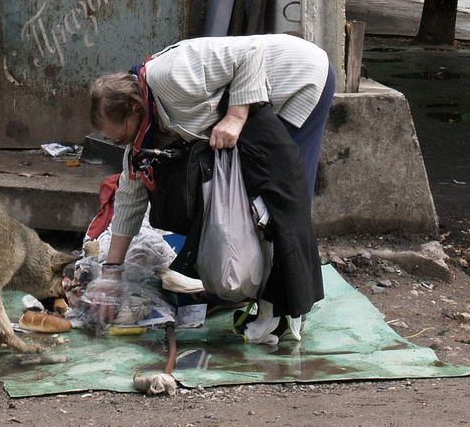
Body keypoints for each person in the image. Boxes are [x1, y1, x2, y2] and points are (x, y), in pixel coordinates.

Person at [85, 33, 335, 332]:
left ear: (134, 108)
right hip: (258, 106)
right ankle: (256, 287)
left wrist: (235, 116)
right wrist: (112, 272)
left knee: (280, 197)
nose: (118, 142)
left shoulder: (171, 75)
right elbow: (130, 194)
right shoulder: (144, 127)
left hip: (296, 78)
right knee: (245, 206)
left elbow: (249, 53)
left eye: (119, 133)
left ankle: (288, 308)